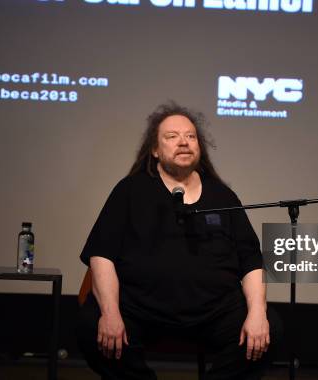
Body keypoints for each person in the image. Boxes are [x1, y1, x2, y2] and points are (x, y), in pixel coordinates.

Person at [76, 102, 280, 380]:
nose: (183, 142)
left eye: (191, 136)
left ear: (199, 146)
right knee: (91, 328)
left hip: (214, 311)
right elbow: (102, 255)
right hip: (140, 308)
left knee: (271, 330)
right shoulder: (130, 190)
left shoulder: (223, 196)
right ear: (155, 150)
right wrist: (110, 313)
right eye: (172, 137)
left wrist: (257, 313)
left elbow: (251, 260)